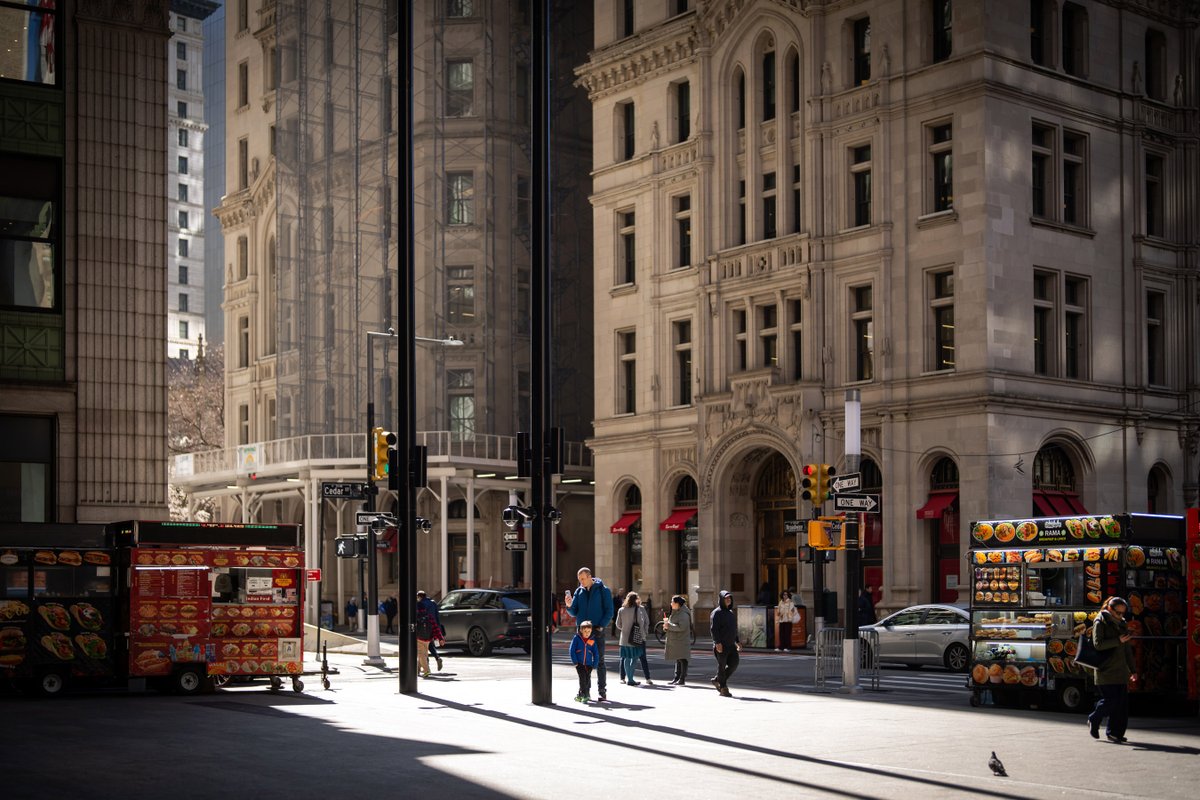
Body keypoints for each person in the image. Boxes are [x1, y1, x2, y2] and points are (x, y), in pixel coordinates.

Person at [1088, 596, 1136, 743]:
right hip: (1105, 669)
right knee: (1111, 700)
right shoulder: (1100, 621)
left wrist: (1133, 670)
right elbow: (1098, 645)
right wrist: (1118, 640)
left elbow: (1127, 649)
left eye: (1123, 613)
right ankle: (1094, 718)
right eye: (1118, 612)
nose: (1121, 616)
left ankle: (1115, 733)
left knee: (1121, 706)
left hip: (1120, 669)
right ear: (1109, 608)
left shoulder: (1122, 623)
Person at [566, 567, 614, 701]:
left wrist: (600, 626)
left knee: (600, 661)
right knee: (582, 662)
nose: (581, 582)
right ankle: (585, 690)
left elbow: (609, 610)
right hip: (581, 632)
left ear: (589, 577)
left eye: (582, 579)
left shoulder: (603, 590)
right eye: (579, 579)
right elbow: (573, 612)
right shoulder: (578, 591)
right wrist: (569, 606)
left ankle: (602, 690)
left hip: (596, 631)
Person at [709, 590, 741, 697]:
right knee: (721, 666)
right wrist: (717, 642)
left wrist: (737, 641)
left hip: (731, 645)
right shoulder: (716, 613)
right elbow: (714, 629)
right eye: (726, 598)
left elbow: (733, 629)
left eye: (729, 598)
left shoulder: (731, 613)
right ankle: (723, 688)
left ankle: (718, 680)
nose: (728, 600)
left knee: (734, 664)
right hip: (721, 645)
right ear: (721, 600)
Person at [663, 594, 692, 685]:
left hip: (681, 640)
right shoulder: (676, 611)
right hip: (677, 640)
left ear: (677, 603)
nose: (671, 604)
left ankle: (682, 679)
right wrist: (666, 627)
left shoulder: (683, 614)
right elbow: (673, 625)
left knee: (682, 659)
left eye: (672, 602)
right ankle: (677, 678)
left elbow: (682, 627)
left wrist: (669, 626)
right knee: (678, 659)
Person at [414, 590, 443, 678]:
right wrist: (439, 635)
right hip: (431, 631)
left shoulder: (419, 605)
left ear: (419, 596)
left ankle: (426, 669)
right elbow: (437, 616)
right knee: (424, 651)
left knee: (422, 653)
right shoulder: (433, 603)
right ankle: (419, 669)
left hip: (420, 634)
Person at [569, 620, 599, 702]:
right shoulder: (576, 638)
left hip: (589, 664)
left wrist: (594, 664)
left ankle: (581, 694)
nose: (587, 633)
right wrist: (575, 662)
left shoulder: (592, 640)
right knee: (582, 679)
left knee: (587, 680)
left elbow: (596, 653)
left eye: (589, 631)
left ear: (591, 631)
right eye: (585, 631)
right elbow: (572, 650)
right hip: (579, 663)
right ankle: (584, 695)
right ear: (581, 630)